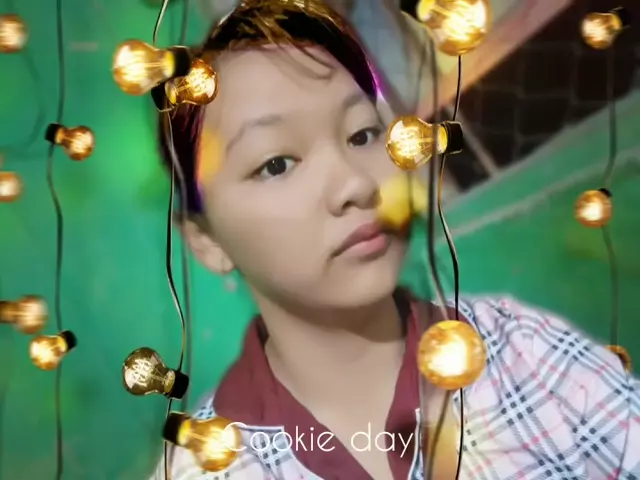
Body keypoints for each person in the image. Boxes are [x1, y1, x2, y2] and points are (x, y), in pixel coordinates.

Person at [152, 1, 640, 478]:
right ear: (206, 240)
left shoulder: (522, 350)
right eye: (276, 163)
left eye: (363, 134)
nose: (356, 183)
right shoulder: (203, 467)